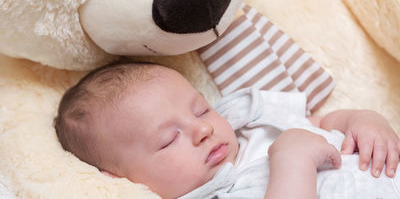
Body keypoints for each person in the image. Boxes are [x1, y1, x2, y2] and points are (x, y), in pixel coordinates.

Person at [54, 62, 400, 199]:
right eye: (168, 139)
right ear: (122, 180)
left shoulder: (251, 122)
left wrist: (366, 121)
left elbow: (323, 122)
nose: (203, 128)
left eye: (200, 109)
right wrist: (293, 161)